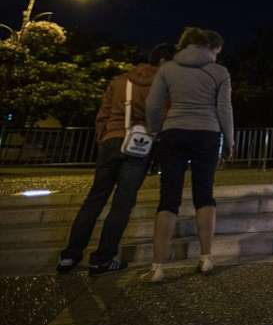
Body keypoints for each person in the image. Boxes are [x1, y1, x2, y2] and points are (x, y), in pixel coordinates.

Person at [57, 43, 177, 276]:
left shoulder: (119, 80)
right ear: (164, 63)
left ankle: (69, 256)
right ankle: (102, 259)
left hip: (111, 140)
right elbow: (163, 118)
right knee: (122, 203)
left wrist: (103, 139)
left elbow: (102, 115)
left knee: (94, 199)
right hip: (138, 145)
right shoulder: (162, 87)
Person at [142, 27, 234, 282]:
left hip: (173, 131)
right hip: (207, 133)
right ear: (209, 47)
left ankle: (158, 266)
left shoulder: (168, 69)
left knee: (168, 197)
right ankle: (206, 257)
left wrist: (155, 130)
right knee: (204, 194)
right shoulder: (219, 72)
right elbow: (224, 109)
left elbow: (152, 103)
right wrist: (229, 141)